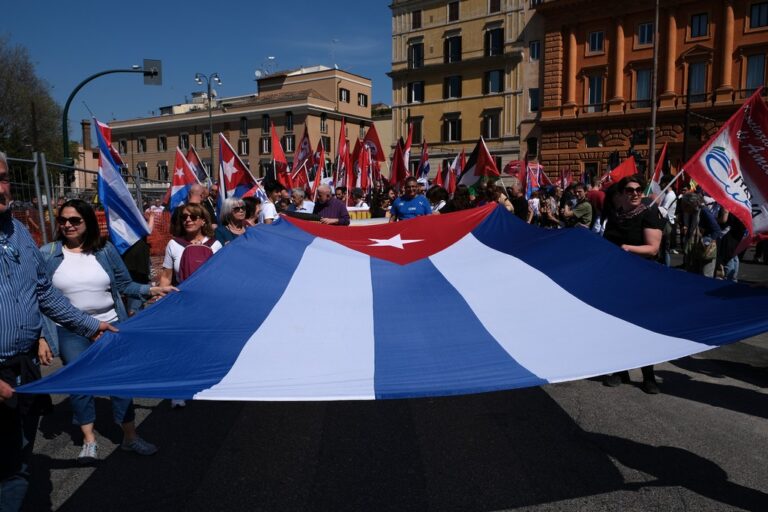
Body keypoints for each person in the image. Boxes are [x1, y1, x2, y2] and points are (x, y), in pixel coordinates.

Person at [0, 152, 117, 511]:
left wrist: (91, 325)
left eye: (2, 177)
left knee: (17, 461)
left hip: (23, 371)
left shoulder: (18, 231)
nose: (0, 187)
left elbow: (43, 293)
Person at [39, 199, 175, 463]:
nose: (68, 225)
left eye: (75, 220)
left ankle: (130, 437)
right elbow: (37, 296)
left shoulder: (105, 250)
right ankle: (89, 441)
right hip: (70, 331)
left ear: (88, 222)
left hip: (112, 324)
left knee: (121, 380)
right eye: (63, 220)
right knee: (80, 384)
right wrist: (41, 336)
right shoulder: (47, 253)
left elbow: (125, 284)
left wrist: (151, 289)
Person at [602, 175, 664, 394]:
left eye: (638, 190)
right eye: (630, 190)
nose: (636, 193)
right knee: (618, 325)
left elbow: (653, 248)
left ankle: (648, 376)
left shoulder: (648, 215)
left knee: (642, 327)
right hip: (617, 279)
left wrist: (627, 248)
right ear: (621, 194)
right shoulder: (616, 216)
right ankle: (621, 371)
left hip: (641, 279)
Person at [159, 203, 221, 408]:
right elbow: (166, 278)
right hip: (181, 305)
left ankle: (206, 385)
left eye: (193, 217)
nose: (188, 220)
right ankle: (179, 390)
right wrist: (163, 301)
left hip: (209, 306)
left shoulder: (216, 245)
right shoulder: (173, 245)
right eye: (184, 217)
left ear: (203, 220)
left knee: (206, 346)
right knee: (180, 348)